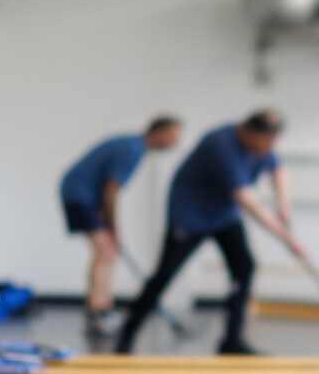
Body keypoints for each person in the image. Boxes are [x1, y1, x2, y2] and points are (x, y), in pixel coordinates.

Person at [114, 110, 302, 356]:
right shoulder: (222, 146)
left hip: (223, 214)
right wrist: (289, 240)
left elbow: (278, 170)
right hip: (190, 215)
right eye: (267, 140)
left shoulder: (260, 147)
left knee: (244, 267)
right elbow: (249, 203)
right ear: (250, 132)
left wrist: (283, 205)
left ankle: (232, 341)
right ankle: (127, 335)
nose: (270, 147)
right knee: (165, 274)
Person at [59, 116, 182, 336]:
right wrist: (115, 230)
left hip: (85, 196)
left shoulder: (134, 146)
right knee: (105, 249)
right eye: (173, 135)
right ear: (160, 132)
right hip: (80, 195)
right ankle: (97, 313)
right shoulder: (132, 150)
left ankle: (104, 308)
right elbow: (111, 192)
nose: (175, 142)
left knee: (107, 251)